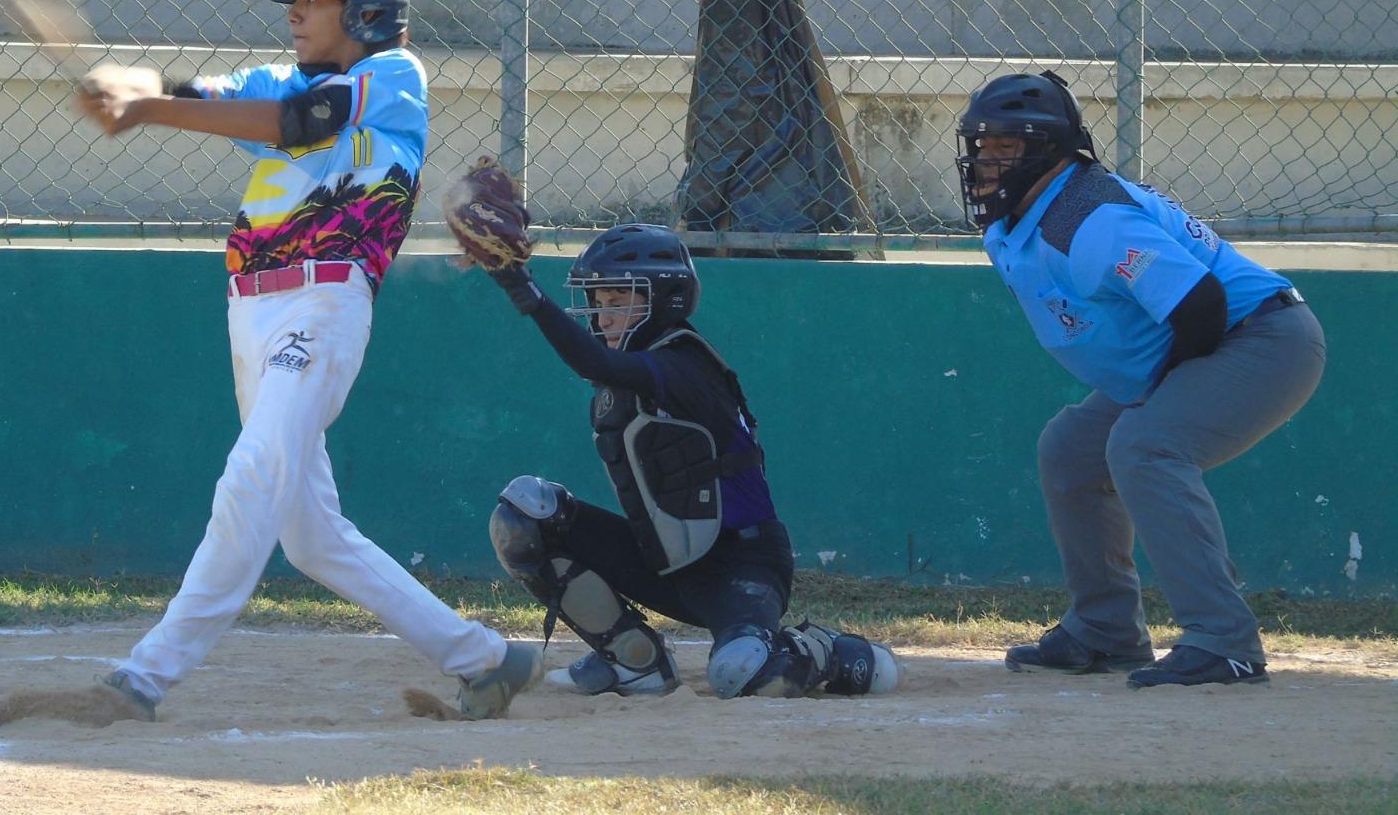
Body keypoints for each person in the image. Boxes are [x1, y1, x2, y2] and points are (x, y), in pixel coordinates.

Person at [45, 0, 540, 722]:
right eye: (297, 2)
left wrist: (150, 108)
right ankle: (486, 658)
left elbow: (297, 124)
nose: (297, 14)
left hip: (325, 302)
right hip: (251, 309)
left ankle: (146, 677)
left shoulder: (392, 78)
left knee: (251, 474)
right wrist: (135, 84)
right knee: (311, 537)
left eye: (314, 1)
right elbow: (200, 89)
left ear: (368, 12)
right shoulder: (280, 76)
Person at [954, 70, 1326, 689]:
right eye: (982, 146)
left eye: (1004, 146)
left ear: (1047, 150)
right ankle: (1105, 631)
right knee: (1072, 450)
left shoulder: (1086, 217)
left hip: (1263, 339)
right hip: (1205, 342)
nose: (986, 161)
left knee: (1145, 444)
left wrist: (1157, 398)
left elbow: (1200, 305)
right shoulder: (1017, 220)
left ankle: (1224, 641)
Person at [475, 223, 898, 699]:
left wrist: (524, 288)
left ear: (664, 299)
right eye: (599, 303)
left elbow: (594, 363)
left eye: (618, 303)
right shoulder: (638, 370)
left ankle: (828, 650)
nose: (603, 317)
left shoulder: (681, 364)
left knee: (738, 673)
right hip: (667, 562)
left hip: (743, 564)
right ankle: (634, 661)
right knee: (525, 513)